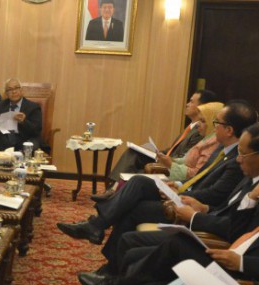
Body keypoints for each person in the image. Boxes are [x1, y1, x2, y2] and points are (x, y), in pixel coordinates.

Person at [57, 102, 257, 273]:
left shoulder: (237, 161)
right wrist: (178, 185)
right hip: (188, 196)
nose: (213, 127)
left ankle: (103, 245)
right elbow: (201, 178)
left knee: (134, 208)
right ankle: (101, 237)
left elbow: (215, 195)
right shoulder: (223, 150)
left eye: (216, 123)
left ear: (229, 130)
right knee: (139, 182)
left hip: (191, 206)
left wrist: (182, 193)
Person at [106, 89, 218, 186]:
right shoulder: (191, 126)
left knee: (135, 171)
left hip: (172, 167)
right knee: (133, 152)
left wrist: (165, 159)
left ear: (201, 107)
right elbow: (174, 148)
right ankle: (114, 186)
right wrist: (157, 152)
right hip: (168, 160)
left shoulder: (200, 132)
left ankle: (115, 188)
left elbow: (185, 158)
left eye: (191, 102)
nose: (187, 104)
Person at [157, 101, 223, 182]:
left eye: (203, 121)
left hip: (185, 185)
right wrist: (170, 160)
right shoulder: (206, 138)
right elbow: (186, 161)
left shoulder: (213, 142)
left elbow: (197, 174)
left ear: (213, 123)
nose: (197, 124)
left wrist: (170, 164)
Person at [0, 77, 42, 154]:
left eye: (16, 88)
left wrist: (24, 122)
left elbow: (36, 130)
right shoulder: (1, 105)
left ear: (21, 90)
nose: (14, 92)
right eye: (10, 89)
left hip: (25, 139)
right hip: (5, 140)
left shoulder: (33, 107)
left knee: (29, 148)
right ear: (6, 93)